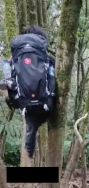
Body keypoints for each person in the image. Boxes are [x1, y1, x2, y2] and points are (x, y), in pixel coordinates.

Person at [5, 26, 56, 158]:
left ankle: (29, 153)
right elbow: (52, 76)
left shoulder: (16, 56)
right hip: (46, 103)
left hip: (23, 101)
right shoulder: (46, 55)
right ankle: (31, 152)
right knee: (36, 123)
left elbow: (9, 76)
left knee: (31, 125)